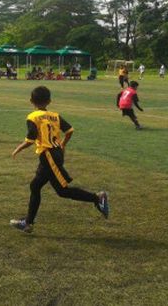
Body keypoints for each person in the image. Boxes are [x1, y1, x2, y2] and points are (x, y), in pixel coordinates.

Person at [9, 86, 109, 233]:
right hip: (54, 153)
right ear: (49, 101)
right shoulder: (55, 115)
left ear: (31, 101)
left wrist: (17, 149)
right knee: (35, 186)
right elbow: (69, 130)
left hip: (48, 156)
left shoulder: (32, 117)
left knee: (63, 191)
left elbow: (30, 139)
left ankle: (97, 197)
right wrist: (62, 144)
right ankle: (28, 223)